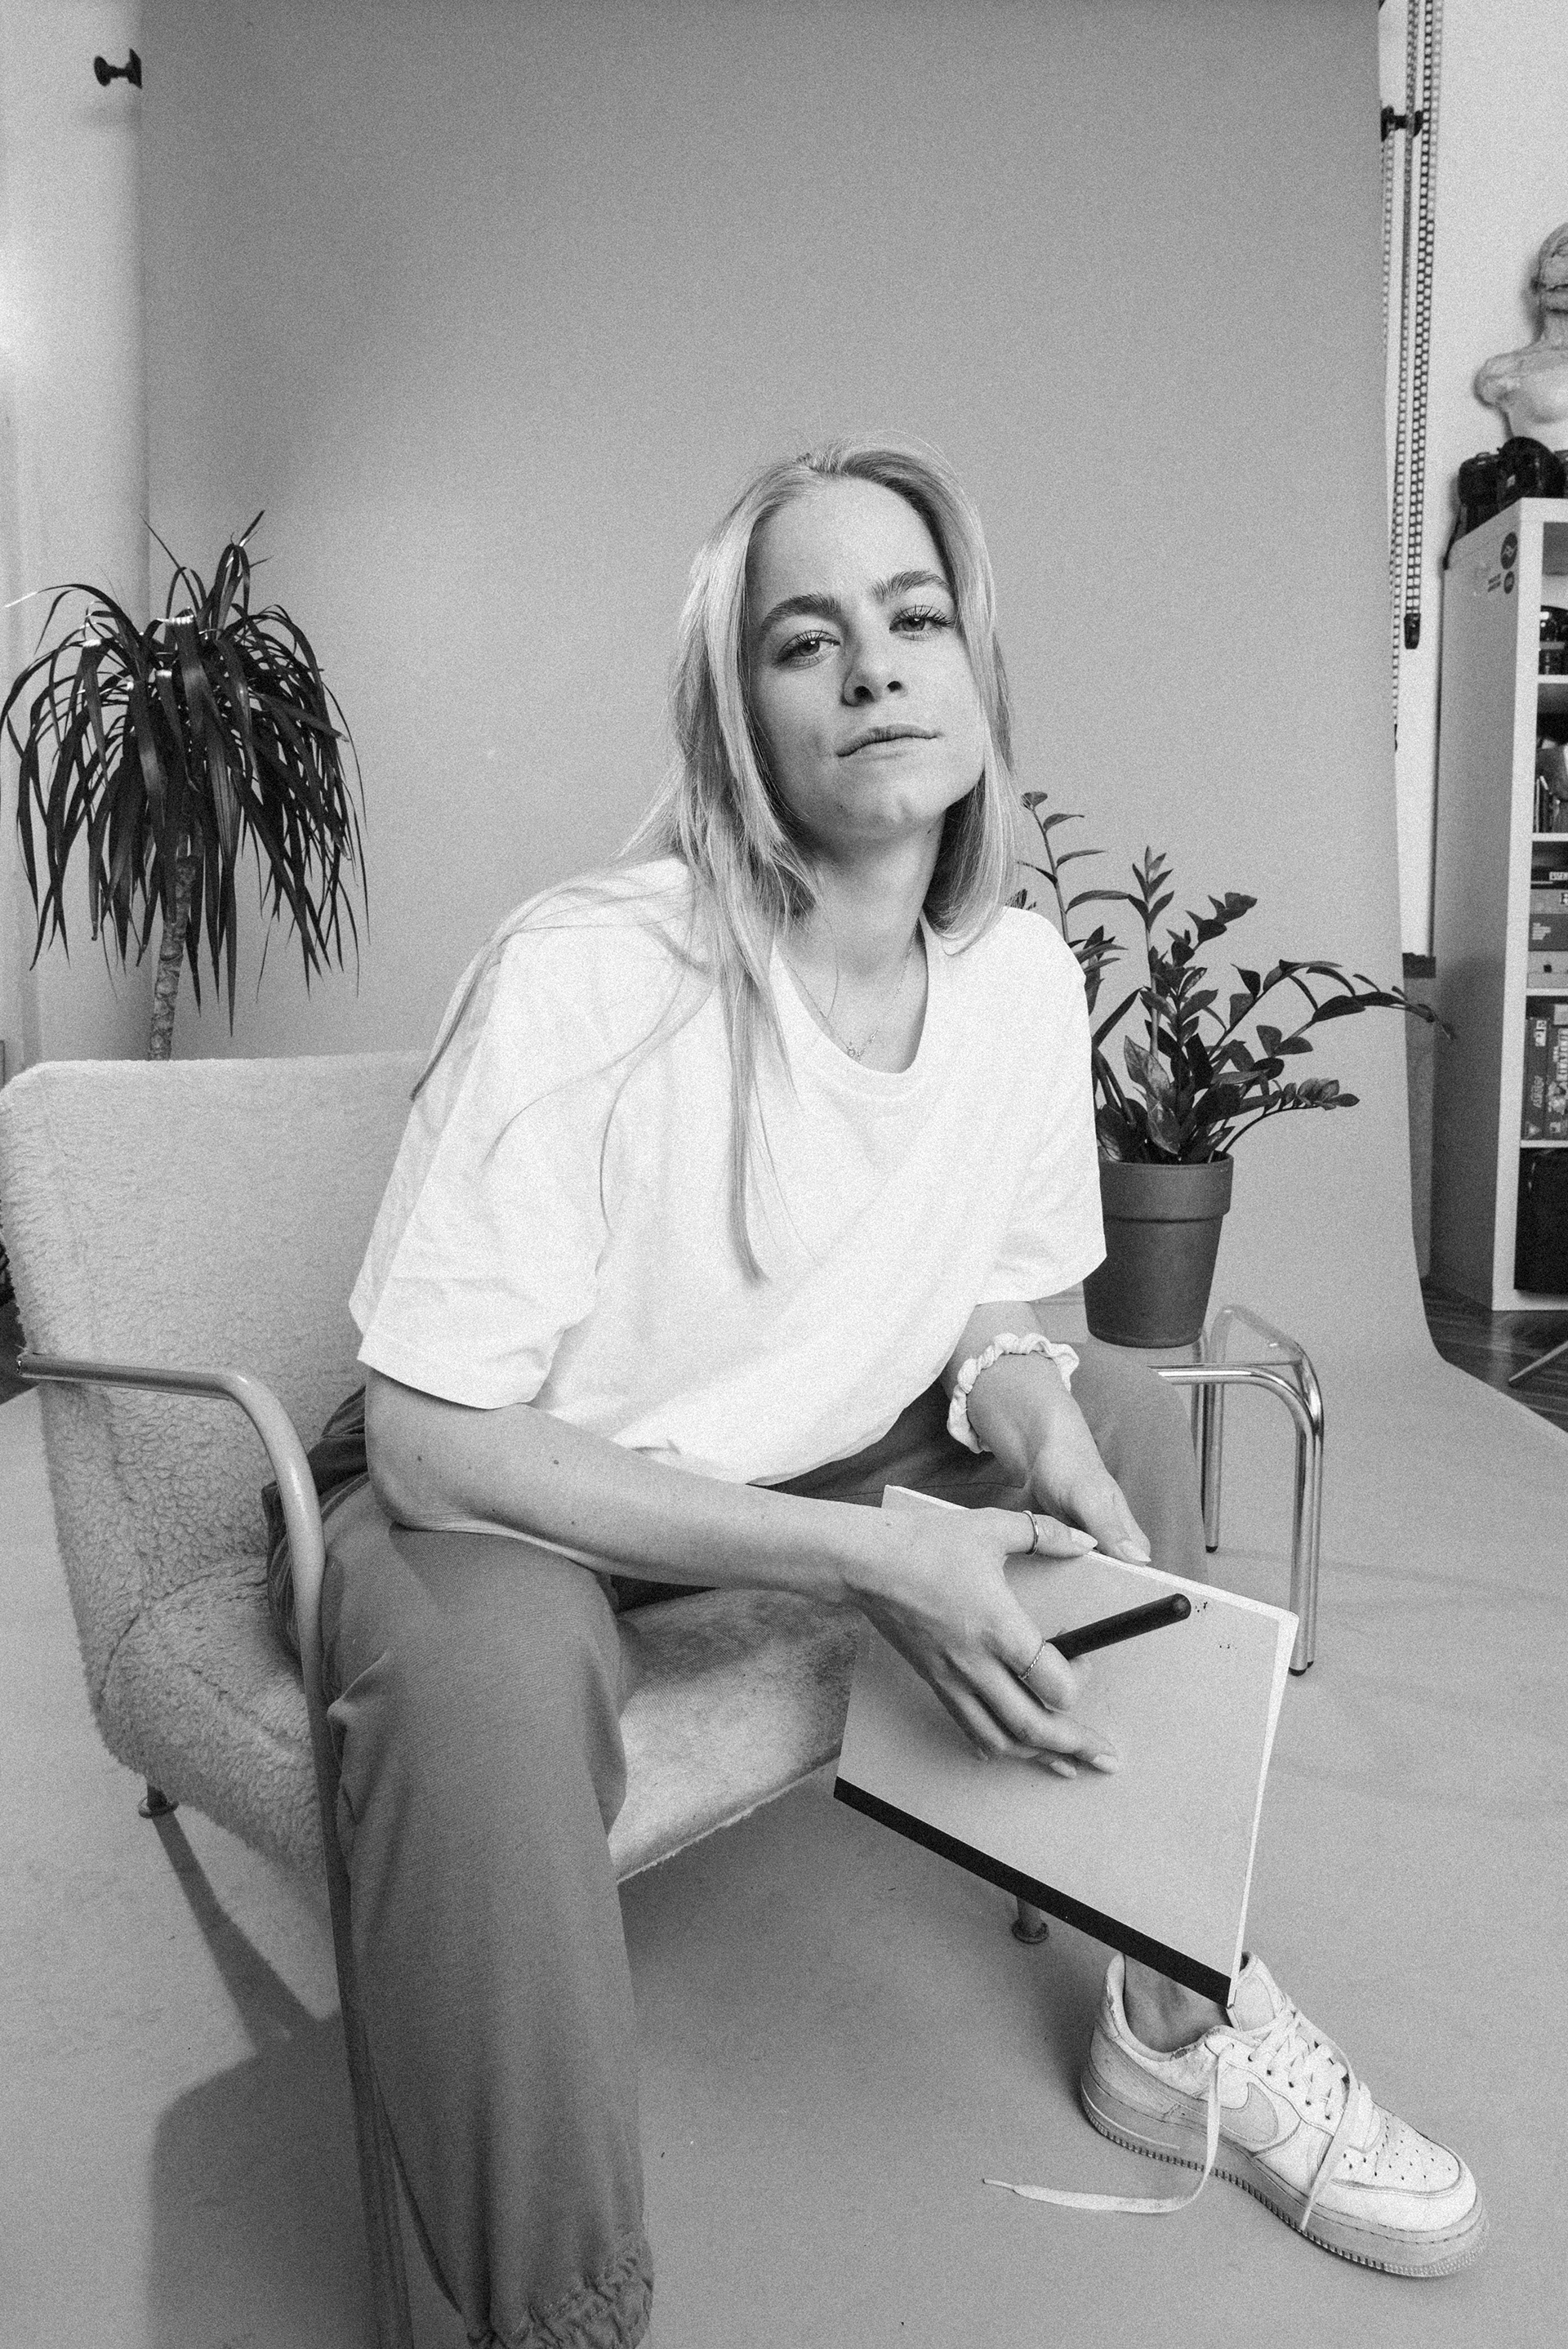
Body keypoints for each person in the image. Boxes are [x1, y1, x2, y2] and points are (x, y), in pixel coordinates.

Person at [329, 438, 1486, 2349]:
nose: (871, 662)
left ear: (973, 673)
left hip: (822, 1454)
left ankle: (1173, 2022)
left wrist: (1032, 1409)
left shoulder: (1020, 979)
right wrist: (872, 1557)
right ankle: (550, 2314)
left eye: (913, 615)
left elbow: (1000, 1306)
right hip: (529, 1494)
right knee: (476, 1686)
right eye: (806, 637)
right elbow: (428, 1440)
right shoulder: (588, 974)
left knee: (1123, 1416)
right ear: (737, 715)